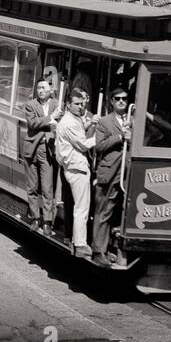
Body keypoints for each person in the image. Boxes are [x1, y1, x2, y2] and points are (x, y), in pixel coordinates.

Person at [53, 86, 98, 257]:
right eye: (77, 104)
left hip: (72, 167)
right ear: (68, 104)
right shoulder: (70, 122)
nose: (81, 107)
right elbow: (83, 144)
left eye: (82, 104)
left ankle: (76, 241)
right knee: (81, 208)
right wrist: (100, 137)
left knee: (79, 207)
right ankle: (80, 244)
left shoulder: (72, 119)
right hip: (77, 169)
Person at [90, 87, 132, 266]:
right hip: (109, 172)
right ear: (112, 101)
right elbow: (98, 146)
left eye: (124, 98)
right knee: (104, 211)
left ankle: (113, 248)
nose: (121, 101)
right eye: (118, 99)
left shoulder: (132, 121)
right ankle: (98, 251)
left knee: (120, 212)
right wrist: (120, 137)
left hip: (127, 173)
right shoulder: (104, 122)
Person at [20, 79, 59, 232]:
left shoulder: (56, 105)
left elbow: (58, 123)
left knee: (47, 188)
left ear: (50, 90)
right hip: (32, 149)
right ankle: (36, 218)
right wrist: (50, 118)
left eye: (43, 88)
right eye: (38, 88)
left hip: (47, 149)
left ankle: (47, 221)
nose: (41, 90)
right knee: (32, 186)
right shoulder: (30, 104)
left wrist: (51, 121)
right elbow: (32, 124)